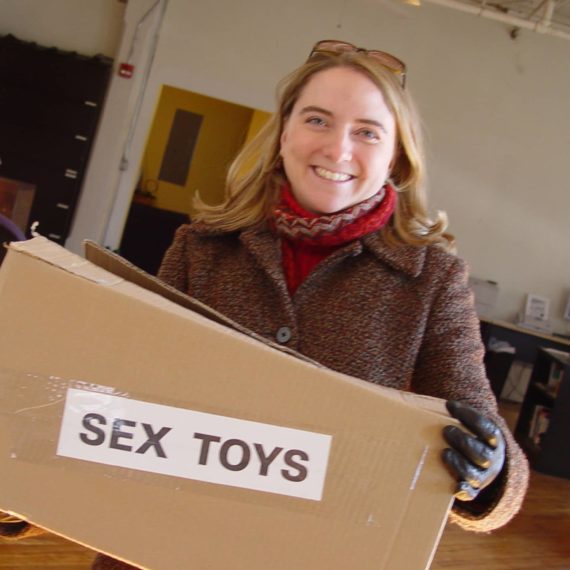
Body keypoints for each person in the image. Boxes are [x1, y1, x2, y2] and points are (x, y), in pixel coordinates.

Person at [2, 40, 529, 569]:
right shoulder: (201, 247)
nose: (338, 149)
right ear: (283, 133)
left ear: (396, 155)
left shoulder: (432, 279)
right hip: (152, 546)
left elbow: (482, 430)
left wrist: (490, 472)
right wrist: (19, 473)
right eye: (317, 120)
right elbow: (119, 396)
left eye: (367, 132)